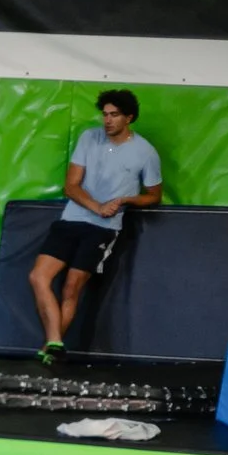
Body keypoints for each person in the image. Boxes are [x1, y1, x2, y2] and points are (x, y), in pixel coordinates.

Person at [29, 89, 161, 366]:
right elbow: (71, 185)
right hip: (71, 220)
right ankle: (54, 341)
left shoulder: (146, 152)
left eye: (114, 115)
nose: (108, 120)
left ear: (129, 118)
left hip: (104, 229)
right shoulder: (89, 138)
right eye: (105, 114)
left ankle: (48, 350)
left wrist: (126, 199)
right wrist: (97, 207)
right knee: (38, 277)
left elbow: (153, 195)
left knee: (71, 288)